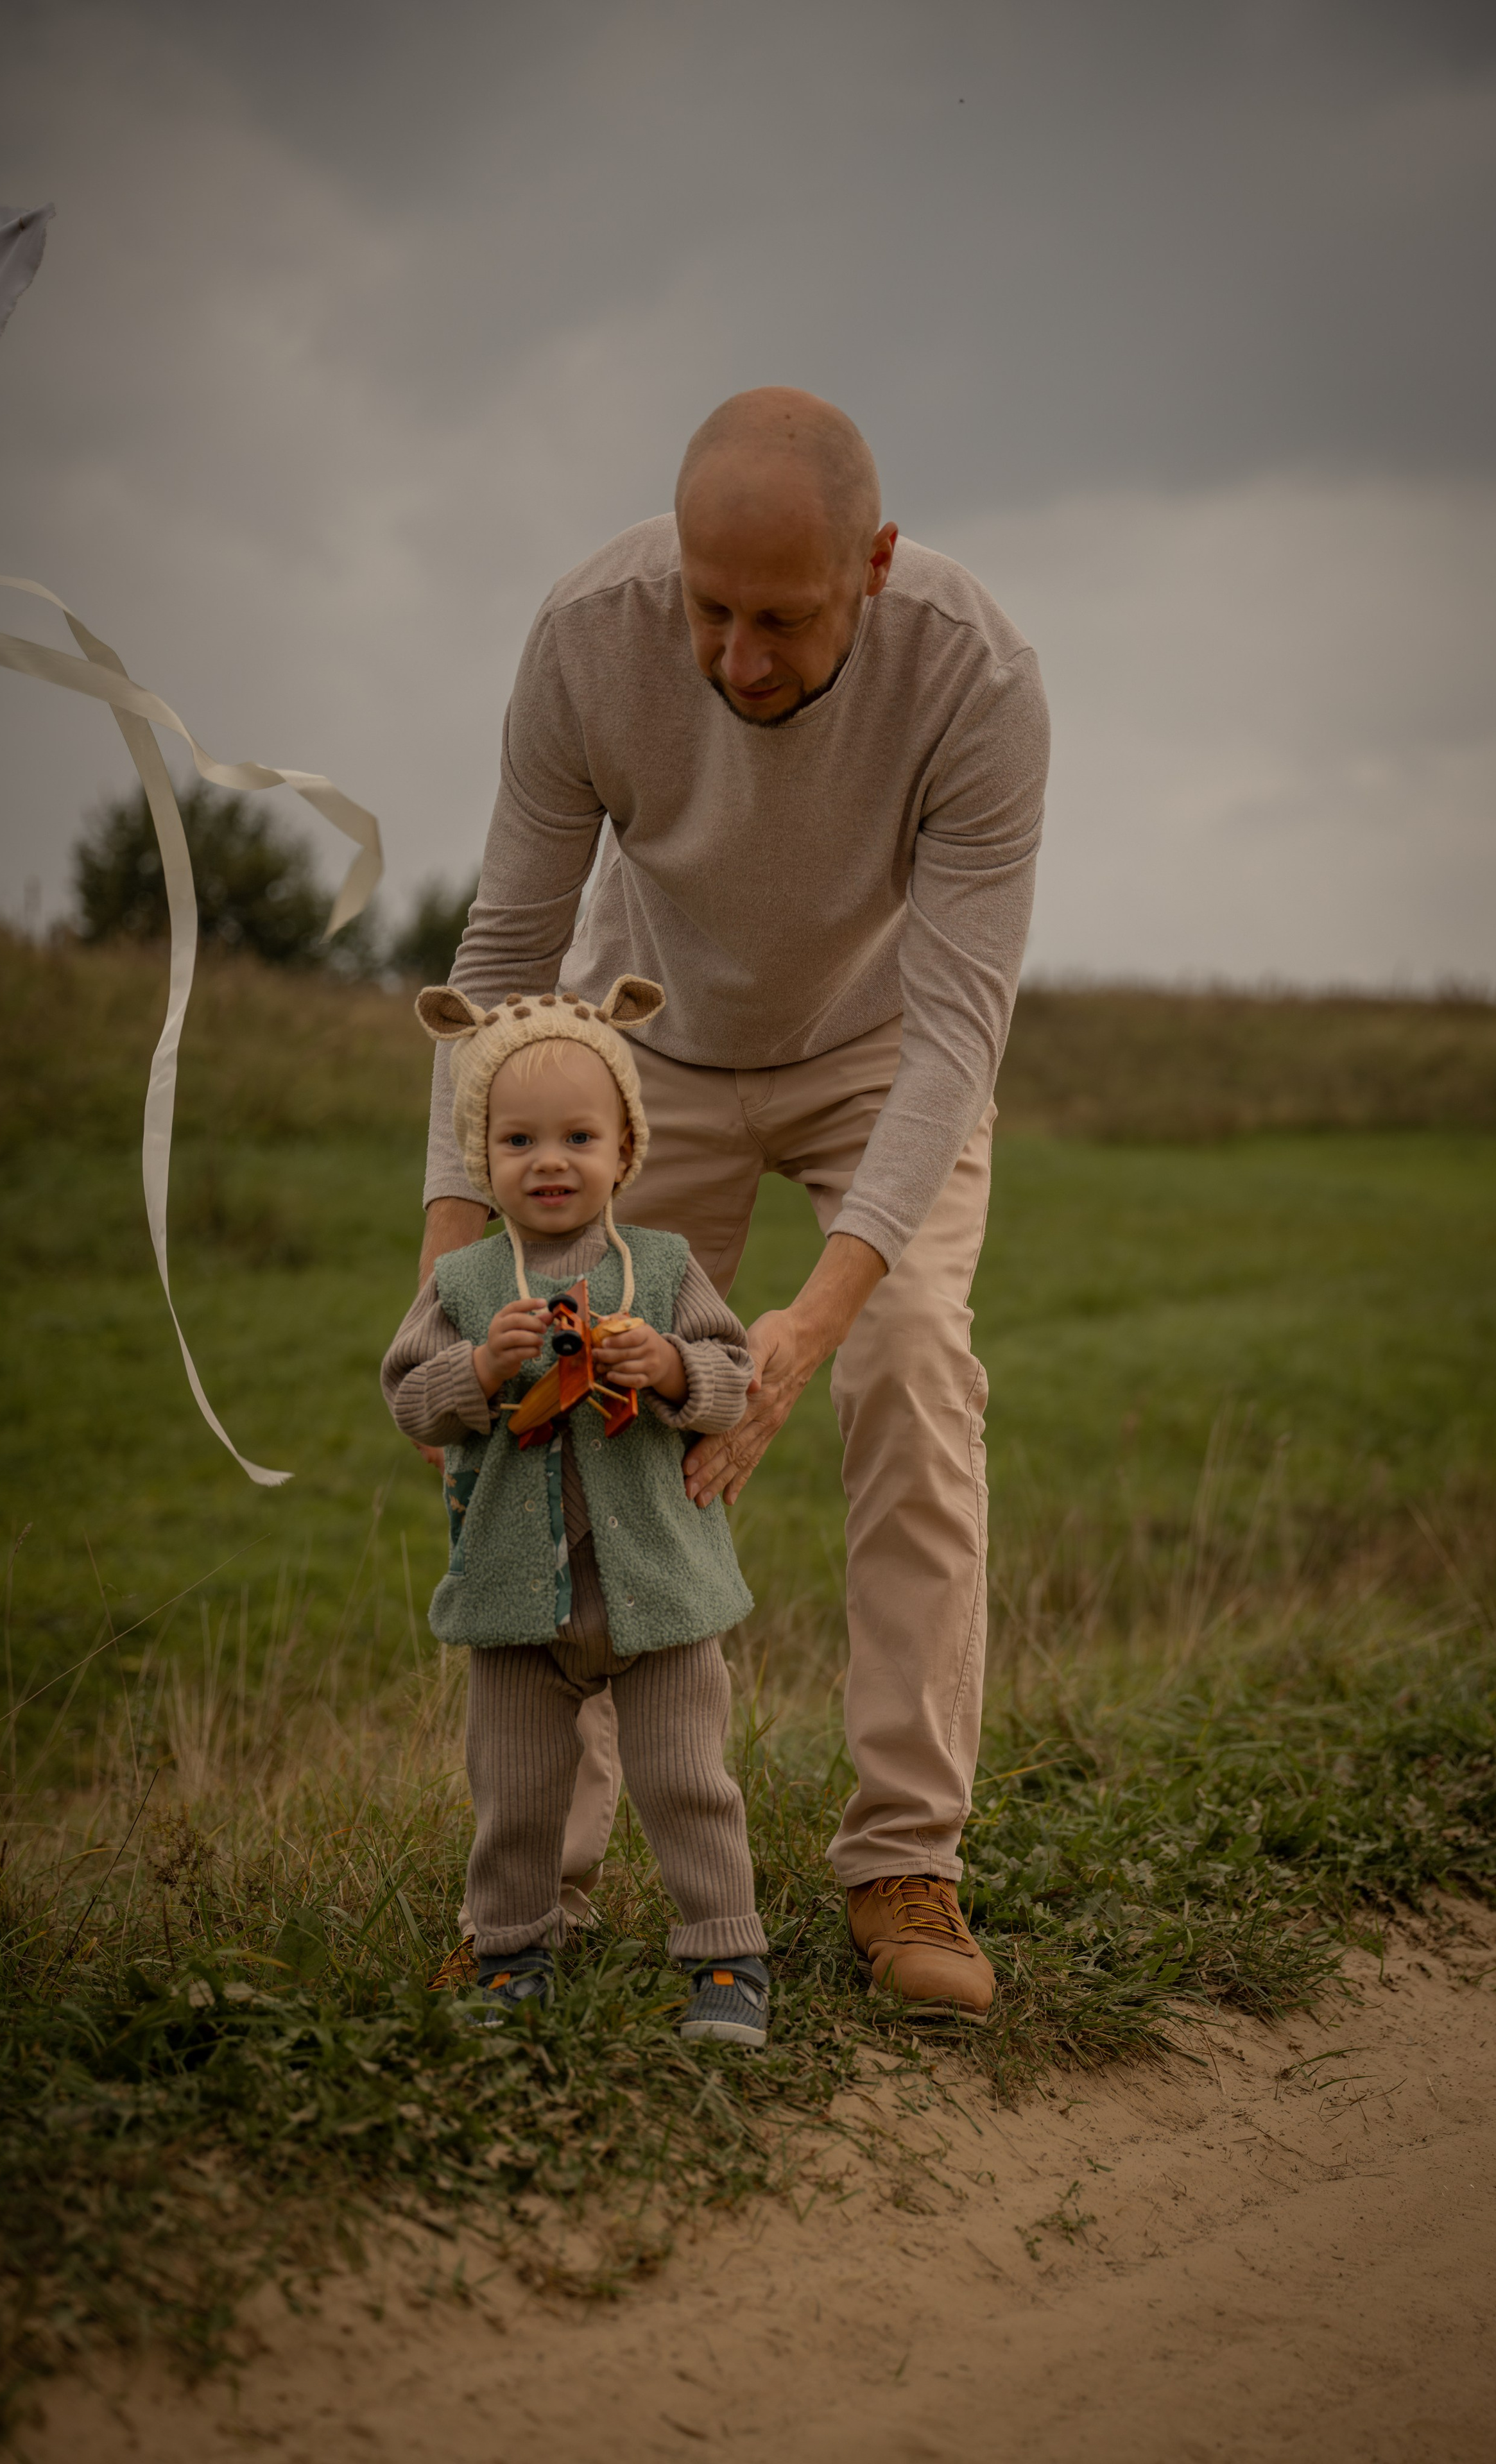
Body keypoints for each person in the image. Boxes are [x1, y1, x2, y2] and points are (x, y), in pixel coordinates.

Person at [416, 388, 1049, 2021]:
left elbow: (964, 1027)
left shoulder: (976, 676)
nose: (738, 659)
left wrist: (806, 1329)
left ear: (877, 566)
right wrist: (448, 1277)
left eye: (784, 618)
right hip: (642, 1053)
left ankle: (906, 1861)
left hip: (881, 1054)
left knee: (907, 1364)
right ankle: (531, 1902)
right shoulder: (586, 636)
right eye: (711, 610)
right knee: (582, 1405)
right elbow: (498, 970)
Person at [382, 973, 771, 2048]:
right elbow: (409, 1401)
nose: (549, 1162)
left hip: (661, 1591)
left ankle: (726, 1954)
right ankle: (513, 1949)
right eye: (518, 1142)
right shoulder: (465, 1283)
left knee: (688, 1779)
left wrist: (677, 1369)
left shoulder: (663, 1267)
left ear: (623, 1152)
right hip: (518, 1599)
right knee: (515, 1788)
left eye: (579, 1137)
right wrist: (474, 1367)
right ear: (485, 1157)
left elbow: (736, 1381)